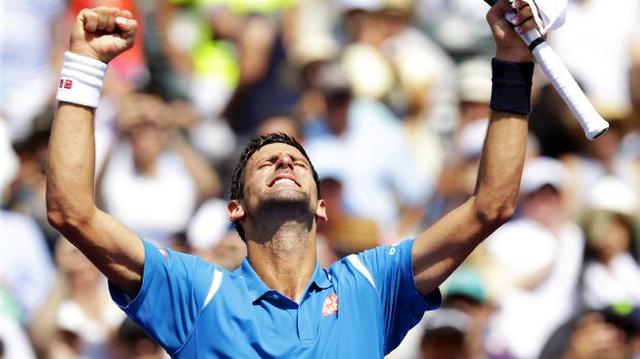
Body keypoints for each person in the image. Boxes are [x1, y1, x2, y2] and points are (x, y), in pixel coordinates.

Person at [46, 1, 536, 357]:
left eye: (297, 161)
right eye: (266, 162)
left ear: (321, 206)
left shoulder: (371, 285)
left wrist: (513, 61)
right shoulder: (196, 292)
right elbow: (71, 212)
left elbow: (491, 205)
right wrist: (84, 67)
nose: (284, 162)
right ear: (235, 208)